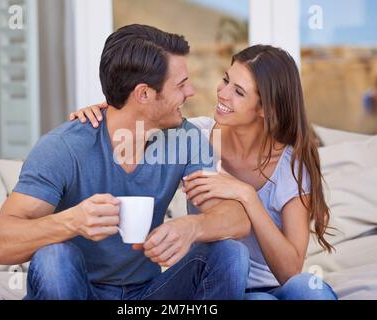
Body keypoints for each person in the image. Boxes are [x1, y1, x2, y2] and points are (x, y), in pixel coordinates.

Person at [0, 24, 252, 300]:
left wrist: (193, 227)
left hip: (147, 296)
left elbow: (236, 219)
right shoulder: (65, 146)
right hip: (77, 290)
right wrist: (72, 221)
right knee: (54, 257)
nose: (191, 92)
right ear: (144, 94)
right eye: (181, 85)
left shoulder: (185, 139)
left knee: (230, 253)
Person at [72, 44, 338, 300]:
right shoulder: (195, 137)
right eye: (225, 80)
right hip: (218, 280)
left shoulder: (290, 165)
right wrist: (103, 114)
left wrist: (247, 195)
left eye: (238, 92)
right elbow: (132, 126)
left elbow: (290, 271)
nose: (222, 93)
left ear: (265, 109)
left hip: (276, 285)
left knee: (311, 289)